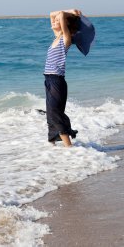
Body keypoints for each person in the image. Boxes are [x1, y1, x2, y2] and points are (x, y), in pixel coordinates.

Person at [44, 9, 81, 147]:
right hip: (48, 79)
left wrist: (68, 13)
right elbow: (52, 13)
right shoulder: (56, 37)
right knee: (50, 113)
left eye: (58, 21)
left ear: (65, 24)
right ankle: (52, 145)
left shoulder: (66, 39)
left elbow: (59, 14)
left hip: (57, 80)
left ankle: (69, 147)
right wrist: (69, 11)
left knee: (55, 112)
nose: (54, 21)